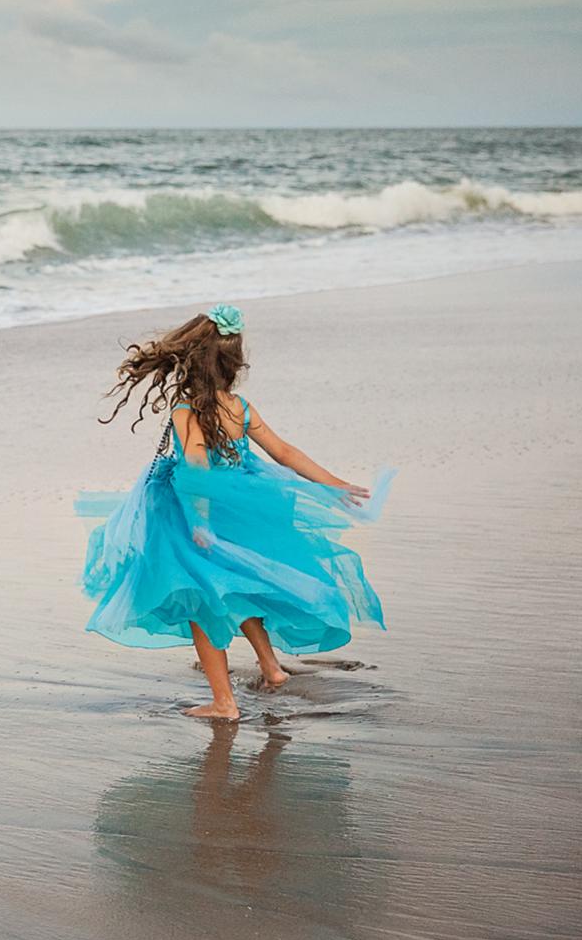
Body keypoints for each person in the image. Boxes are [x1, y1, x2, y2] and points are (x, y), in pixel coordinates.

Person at [76, 304, 394, 720]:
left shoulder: (187, 411)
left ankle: (224, 703)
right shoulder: (239, 408)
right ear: (232, 364)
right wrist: (331, 482)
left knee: (199, 603)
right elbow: (283, 452)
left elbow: (196, 469)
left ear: (190, 364)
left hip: (195, 515)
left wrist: (199, 522)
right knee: (236, 588)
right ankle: (271, 668)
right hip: (240, 507)